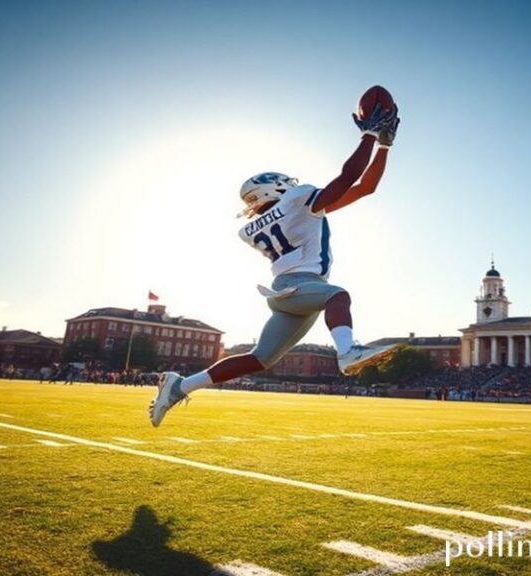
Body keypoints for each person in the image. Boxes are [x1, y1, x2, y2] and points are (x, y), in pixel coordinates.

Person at [149, 101, 401, 427]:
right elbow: (352, 178)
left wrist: (382, 145)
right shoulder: (298, 200)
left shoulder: (251, 227)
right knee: (338, 296)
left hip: (288, 295)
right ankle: (348, 351)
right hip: (303, 288)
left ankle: (179, 385)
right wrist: (372, 137)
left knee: (259, 358)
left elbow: (363, 187)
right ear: (273, 186)